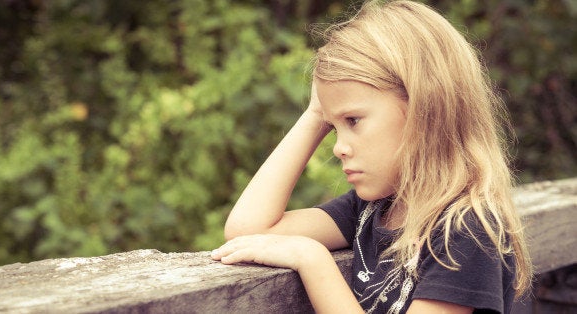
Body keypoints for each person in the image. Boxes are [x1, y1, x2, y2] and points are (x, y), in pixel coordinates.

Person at [210, 1, 532, 313]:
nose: (338, 148)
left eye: (353, 121)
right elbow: (248, 230)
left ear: (424, 106)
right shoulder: (374, 209)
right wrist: (314, 115)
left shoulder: (467, 229)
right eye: (333, 128)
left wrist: (313, 260)